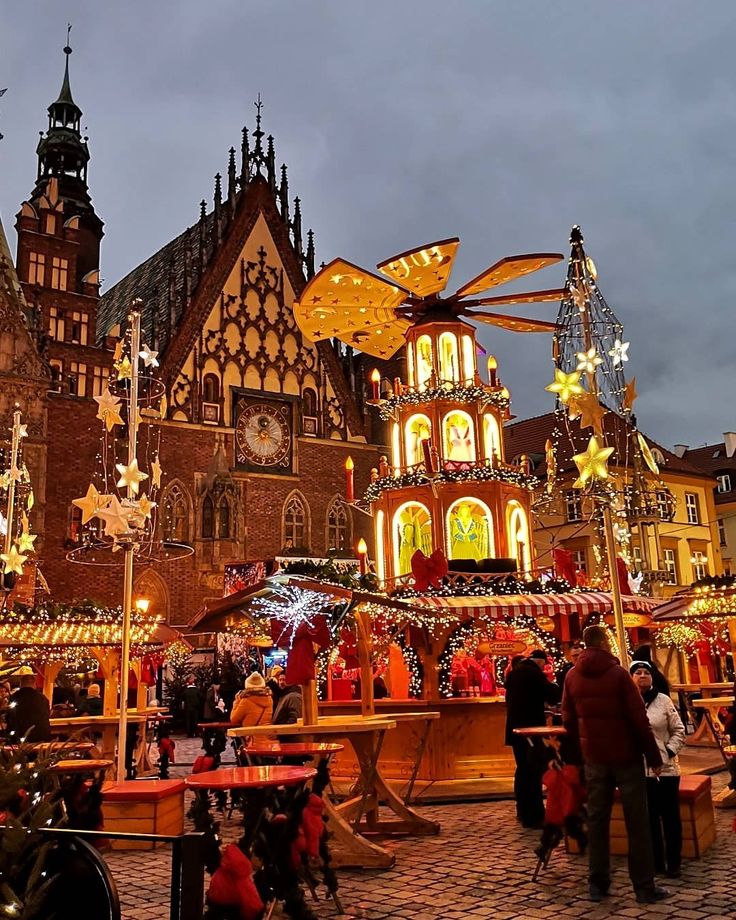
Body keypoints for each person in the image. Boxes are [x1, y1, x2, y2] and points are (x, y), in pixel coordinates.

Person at [562, 625, 669, 904]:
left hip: (595, 759)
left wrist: (582, 748)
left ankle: (597, 884)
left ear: (585, 645)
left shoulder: (572, 676)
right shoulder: (620, 675)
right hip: (627, 758)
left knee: (597, 821)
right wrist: (654, 757)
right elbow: (639, 721)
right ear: (605, 642)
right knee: (637, 823)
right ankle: (643, 887)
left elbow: (568, 720)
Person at [630, 660, 686, 878]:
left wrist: (669, 751)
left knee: (671, 816)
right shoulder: (627, 702)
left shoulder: (662, 701)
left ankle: (674, 861)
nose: (642, 676)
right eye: (638, 673)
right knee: (649, 818)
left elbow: (679, 729)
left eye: (646, 672)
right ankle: (655, 861)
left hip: (666, 769)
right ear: (631, 677)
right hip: (639, 770)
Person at [504, 650, 561, 828]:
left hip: (515, 730)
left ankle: (522, 811)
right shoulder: (533, 673)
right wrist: (557, 685)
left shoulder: (514, 674)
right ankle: (534, 815)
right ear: (540, 662)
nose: (544, 668)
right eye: (544, 665)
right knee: (532, 771)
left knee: (522, 770)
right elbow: (551, 694)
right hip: (530, 731)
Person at [6, 668, 51, 743]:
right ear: (34, 684)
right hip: (41, 737)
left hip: (19, 737)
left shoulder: (14, 697)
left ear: (21, 684)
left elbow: (10, 717)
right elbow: (47, 715)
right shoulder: (42, 698)